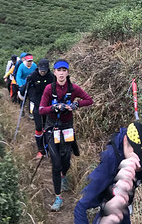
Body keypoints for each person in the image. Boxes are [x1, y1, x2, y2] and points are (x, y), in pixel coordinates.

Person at [73, 122, 142, 224]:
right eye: (134, 152)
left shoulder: (141, 162)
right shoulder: (111, 160)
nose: (137, 161)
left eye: (140, 155)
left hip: (123, 213)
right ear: (125, 140)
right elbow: (80, 207)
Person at [39, 59, 93, 211]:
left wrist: (75, 105)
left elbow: (89, 100)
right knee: (56, 163)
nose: (61, 73)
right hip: (52, 127)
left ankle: (64, 176)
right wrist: (54, 107)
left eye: (64, 70)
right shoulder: (49, 89)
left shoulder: (73, 88)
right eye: (59, 70)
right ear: (54, 72)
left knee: (66, 161)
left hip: (67, 127)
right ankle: (58, 197)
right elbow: (41, 109)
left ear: (68, 73)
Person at [20, 59, 55, 159]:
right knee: (39, 127)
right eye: (41, 70)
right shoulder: (33, 76)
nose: (42, 72)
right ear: (38, 68)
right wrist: (27, 84)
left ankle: (48, 148)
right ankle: (40, 150)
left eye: (44, 70)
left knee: (48, 128)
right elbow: (23, 91)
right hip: (37, 104)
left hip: (48, 105)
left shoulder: (52, 77)